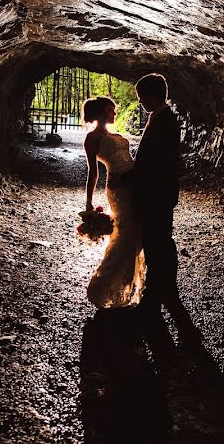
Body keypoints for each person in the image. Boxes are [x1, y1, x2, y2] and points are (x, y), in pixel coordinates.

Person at [82, 96, 146, 308]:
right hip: (118, 189)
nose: (114, 114)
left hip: (134, 185)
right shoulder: (91, 138)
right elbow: (93, 172)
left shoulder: (113, 135)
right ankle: (103, 287)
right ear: (100, 113)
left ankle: (126, 287)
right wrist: (89, 202)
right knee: (125, 234)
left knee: (135, 233)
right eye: (110, 110)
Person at [132, 73, 181, 316]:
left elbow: (159, 162)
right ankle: (165, 289)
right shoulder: (160, 117)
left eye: (142, 97)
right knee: (159, 240)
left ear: (153, 95)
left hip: (157, 193)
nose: (141, 102)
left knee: (157, 241)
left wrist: (132, 177)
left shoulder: (166, 121)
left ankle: (157, 292)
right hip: (157, 191)